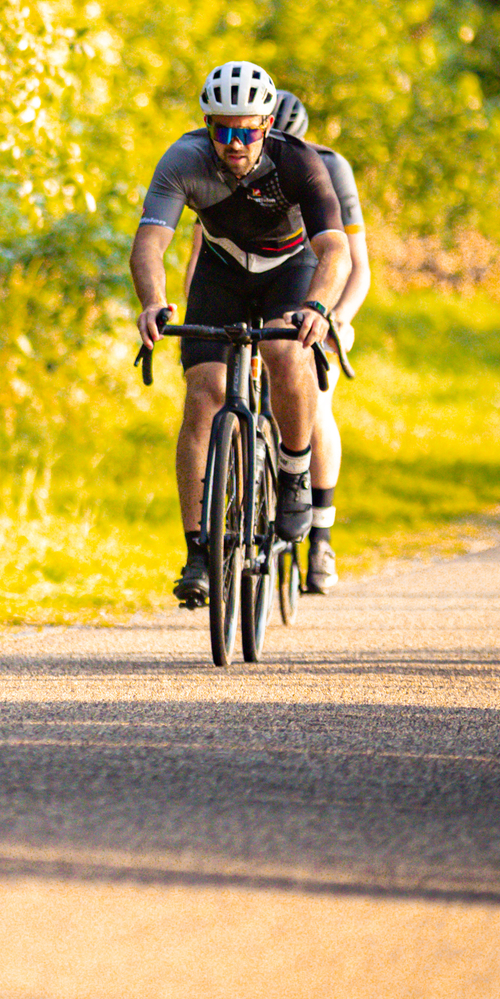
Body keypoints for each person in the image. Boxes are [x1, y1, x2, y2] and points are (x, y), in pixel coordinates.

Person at [130, 60, 350, 609]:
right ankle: (199, 553)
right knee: (203, 395)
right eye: (223, 130)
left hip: (289, 270)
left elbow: (335, 250)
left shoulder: (298, 161)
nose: (235, 144)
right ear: (208, 126)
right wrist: (154, 302)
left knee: (283, 349)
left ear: (267, 125)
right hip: (222, 273)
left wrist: (319, 308)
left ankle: (295, 471)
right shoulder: (183, 159)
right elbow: (150, 243)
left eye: (248, 130)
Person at [267, 93, 369, 592]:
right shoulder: (241, 169)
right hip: (263, 291)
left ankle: (322, 539)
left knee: (317, 403)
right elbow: (204, 249)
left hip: (320, 294)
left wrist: (339, 319)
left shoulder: (327, 166)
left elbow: (356, 260)